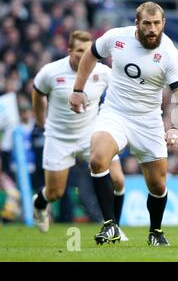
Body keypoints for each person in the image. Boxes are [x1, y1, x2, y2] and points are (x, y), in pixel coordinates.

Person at [69, 2, 178, 246]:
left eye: (157, 24)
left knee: (157, 185)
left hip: (148, 121)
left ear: (163, 24)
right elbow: (91, 55)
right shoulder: (116, 37)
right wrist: (78, 89)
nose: (152, 29)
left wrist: (176, 126)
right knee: (97, 159)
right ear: (137, 24)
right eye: (147, 23)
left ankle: (155, 232)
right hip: (115, 113)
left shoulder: (170, 53)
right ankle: (110, 225)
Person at [32, 30, 127, 238]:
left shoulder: (103, 72)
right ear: (69, 51)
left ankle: (114, 227)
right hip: (58, 137)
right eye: (79, 51)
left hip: (91, 136)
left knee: (118, 180)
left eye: (88, 51)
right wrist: (41, 122)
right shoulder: (51, 72)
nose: (84, 56)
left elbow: (121, 95)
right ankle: (39, 205)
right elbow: (38, 93)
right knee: (54, 193)